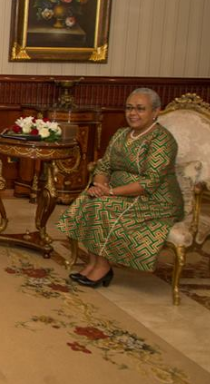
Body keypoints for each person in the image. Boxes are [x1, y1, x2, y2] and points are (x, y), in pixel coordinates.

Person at [57, 88, 183, 288]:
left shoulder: (162, 140)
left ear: (155, 111)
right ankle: (94, 262)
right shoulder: (121, 134)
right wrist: (99, 185)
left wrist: (111, 192)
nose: (133, 113)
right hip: (117, 190)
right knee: (89, 200)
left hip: (156, 199)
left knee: (101, 206)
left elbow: (150, 182)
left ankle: (103, 266)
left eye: (140, 109)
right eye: (129, 108)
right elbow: (104, 165)